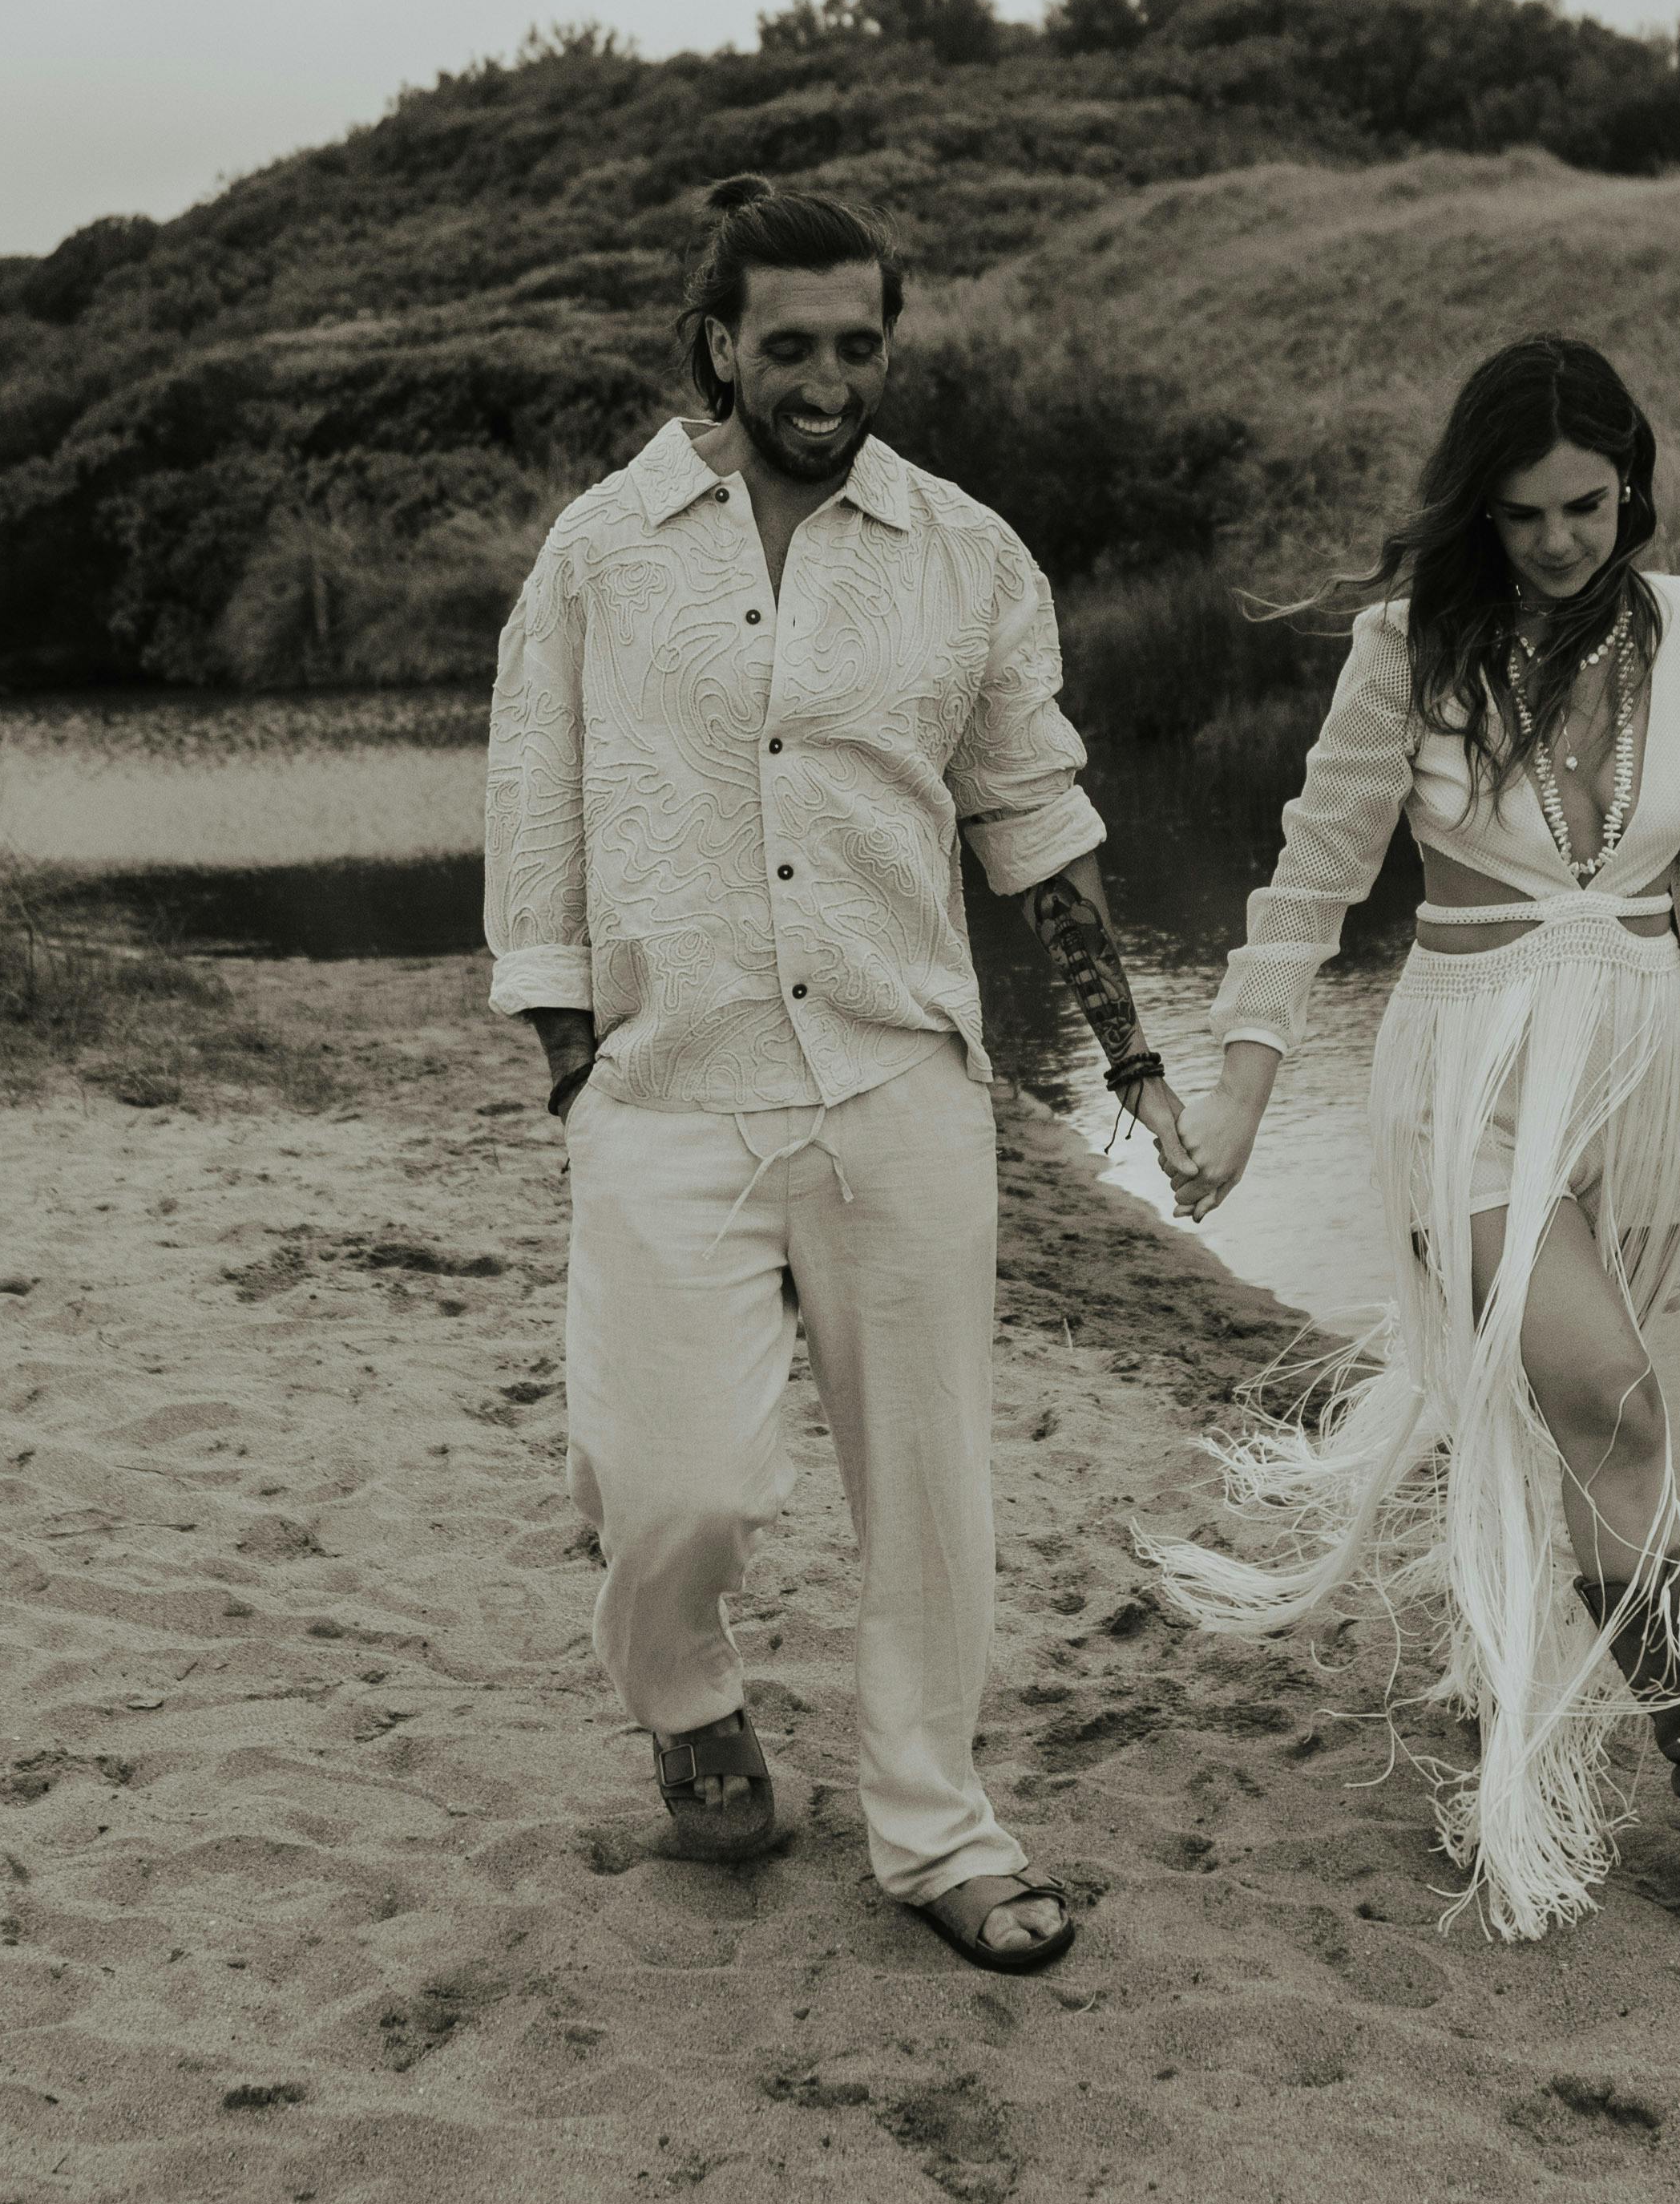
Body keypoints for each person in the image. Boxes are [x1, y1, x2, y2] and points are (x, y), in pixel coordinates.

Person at [483, 174, 1193, 1975]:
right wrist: (571, 1056)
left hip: (897, 1078)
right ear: (718, 341)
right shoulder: (602, 549)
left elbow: (1035, 819)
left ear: (889, 344)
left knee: (931, 1485)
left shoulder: (967, 556)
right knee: (673, 1488)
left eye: (855, 345)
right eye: (784, 345)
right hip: (669, 1080)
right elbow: (534, 803)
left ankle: (934, 1829)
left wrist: (1135, 1064)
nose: (822, 379)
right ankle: (687, 1691)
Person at [1155, 333, 1680, 1940]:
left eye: (1587, 507)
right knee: (1605, 1393)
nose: (1556, 542)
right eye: (1524, 514)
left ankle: (1585, 1654)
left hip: (1641, 1078)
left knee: (1574, 1413)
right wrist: (1244, 1087)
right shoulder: (1409, 647)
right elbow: (1309, 873)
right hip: (1465, 1084)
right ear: (1478, 512)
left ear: (1633, 490)